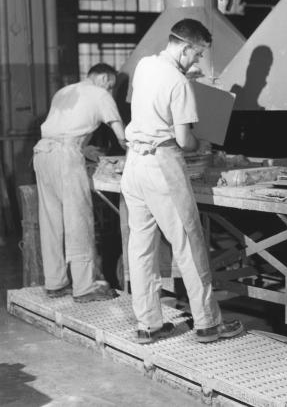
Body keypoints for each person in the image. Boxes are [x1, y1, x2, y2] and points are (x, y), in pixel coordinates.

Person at [120, 18, 244, 344]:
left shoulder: (146, 66)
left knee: (142, 246)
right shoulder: (179, 83)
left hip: (134, 164)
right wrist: (201, 142)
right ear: (186, 46)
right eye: (198, 54)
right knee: (188, 243)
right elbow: (184, 139)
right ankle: (207, 324)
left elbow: (153, 101)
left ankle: (148, 325)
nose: (197, 61)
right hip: (162, 164)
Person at [34, 63, 125, 302]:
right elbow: (121, 136)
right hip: (65, 157)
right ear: (104, 78)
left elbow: (62, 130)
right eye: (111, 85)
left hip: (43, 154)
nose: (111, 90)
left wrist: (84, 149)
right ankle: (84, 287)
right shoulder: (100, 93)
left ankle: (55, 282)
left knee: (50, 219)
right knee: (78, 219)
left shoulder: (64, 92)